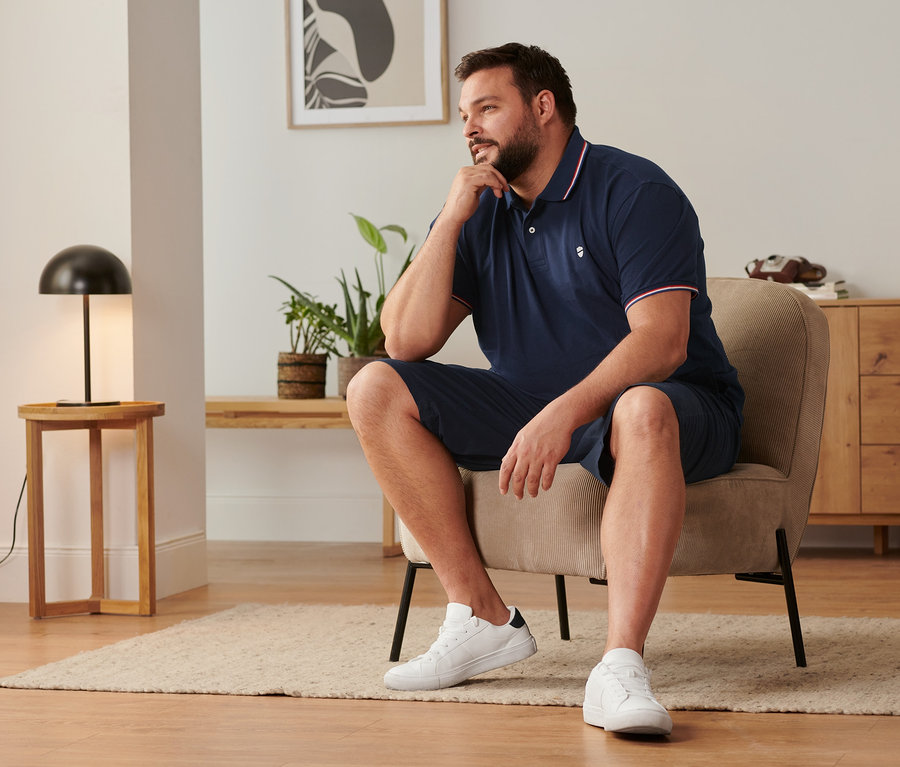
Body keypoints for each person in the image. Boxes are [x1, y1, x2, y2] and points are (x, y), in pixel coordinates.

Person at [346, 42, 744, 736]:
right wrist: (450, 216)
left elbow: (662, 341)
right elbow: (404, 340)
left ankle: (619, 665)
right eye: (465, 115)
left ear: (543, 107)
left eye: (488, 108)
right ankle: (481, 616)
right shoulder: (482, 209)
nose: (471, 128)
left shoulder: (635, 192)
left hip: (675, 403)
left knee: (642, 406)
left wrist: (565, 410)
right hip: (528, 403)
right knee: (374, 387)